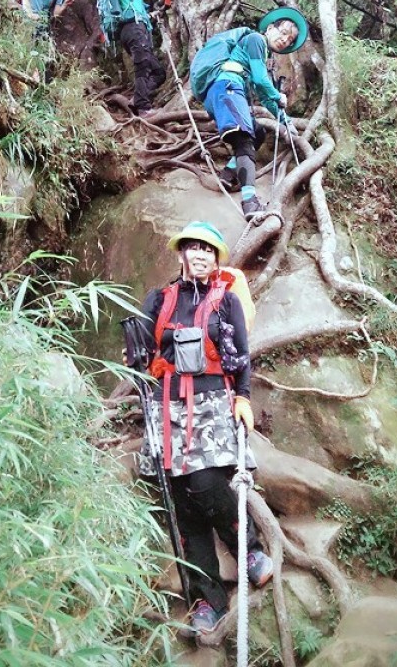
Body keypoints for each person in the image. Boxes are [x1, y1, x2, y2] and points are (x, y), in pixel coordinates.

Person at [136, 221, 273, 636]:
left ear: (216, 258)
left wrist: (244, 397)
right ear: (181, 254)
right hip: (167, 407)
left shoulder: (227, 300)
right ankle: (205, 599)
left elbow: (242, 356)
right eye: (192, 248)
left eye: (208, 250)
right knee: (181, 502)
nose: (199, 255)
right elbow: (142, 355)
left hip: (213, 404)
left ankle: (247, 549)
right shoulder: (158, 298)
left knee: (203, 484)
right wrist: (137, 352)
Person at [190, 7, 308, 221]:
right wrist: (278, 95)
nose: (285, 41)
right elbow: (263, 83)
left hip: (227, 93)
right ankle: (250, 202)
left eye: (289, 40)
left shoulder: (262, 56)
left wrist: (285, 121)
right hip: (227, 87)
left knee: (258, 133)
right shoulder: (256, 40)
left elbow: (264, 96)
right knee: (244, 140)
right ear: (270, 28)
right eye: (283, 33)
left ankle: (228, 175)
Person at [98, 0, 166, 117]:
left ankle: (137, 98)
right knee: (142, 67)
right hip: (133, 30)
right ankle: (143, 108)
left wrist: (152, 15)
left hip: (137, 31)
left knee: (159, 73)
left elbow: (138, 12)